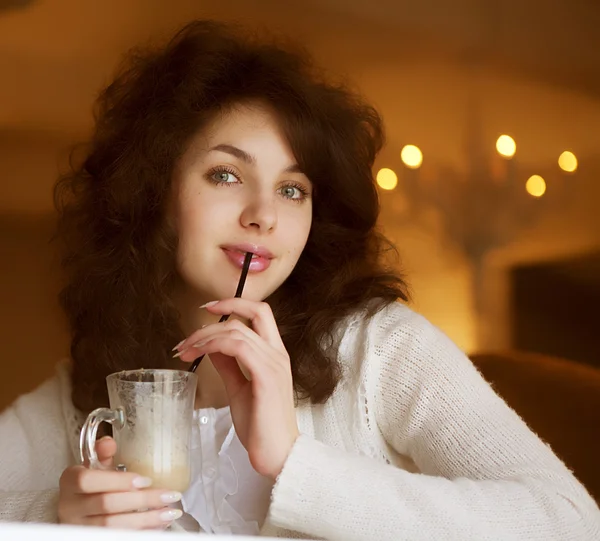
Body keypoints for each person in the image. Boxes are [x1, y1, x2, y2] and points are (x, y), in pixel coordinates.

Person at [0, 19, 598, 540]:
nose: (265, 214)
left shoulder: (380, 349)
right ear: (152, 192)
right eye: (226, 175)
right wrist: (54, 511)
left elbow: (570, 522)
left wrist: (294, 461)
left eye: (293, 189)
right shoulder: (92, 381)